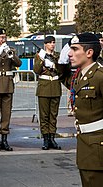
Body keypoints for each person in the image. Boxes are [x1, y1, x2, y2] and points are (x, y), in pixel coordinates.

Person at [60, 32, 103, 187]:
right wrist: (61, 62)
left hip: (98, 148)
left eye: (75, 49)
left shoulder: (99, 76)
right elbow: (66, 79)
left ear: (89, 52)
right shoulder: (80, 76)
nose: (70, 54)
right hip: (86, 145)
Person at [33, 36, 65, 150]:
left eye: (53, 42)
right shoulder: (39, 55)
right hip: (44, 88)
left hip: (55, 86)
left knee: (53, 115)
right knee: (44, 115)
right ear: (45, 44)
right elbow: (36, 70)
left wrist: (54, 65)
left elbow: (62, 71)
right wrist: (42, 61)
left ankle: (52, 138)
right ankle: (45, 139)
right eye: (50, 43)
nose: (52, 44)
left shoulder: (57, 55)